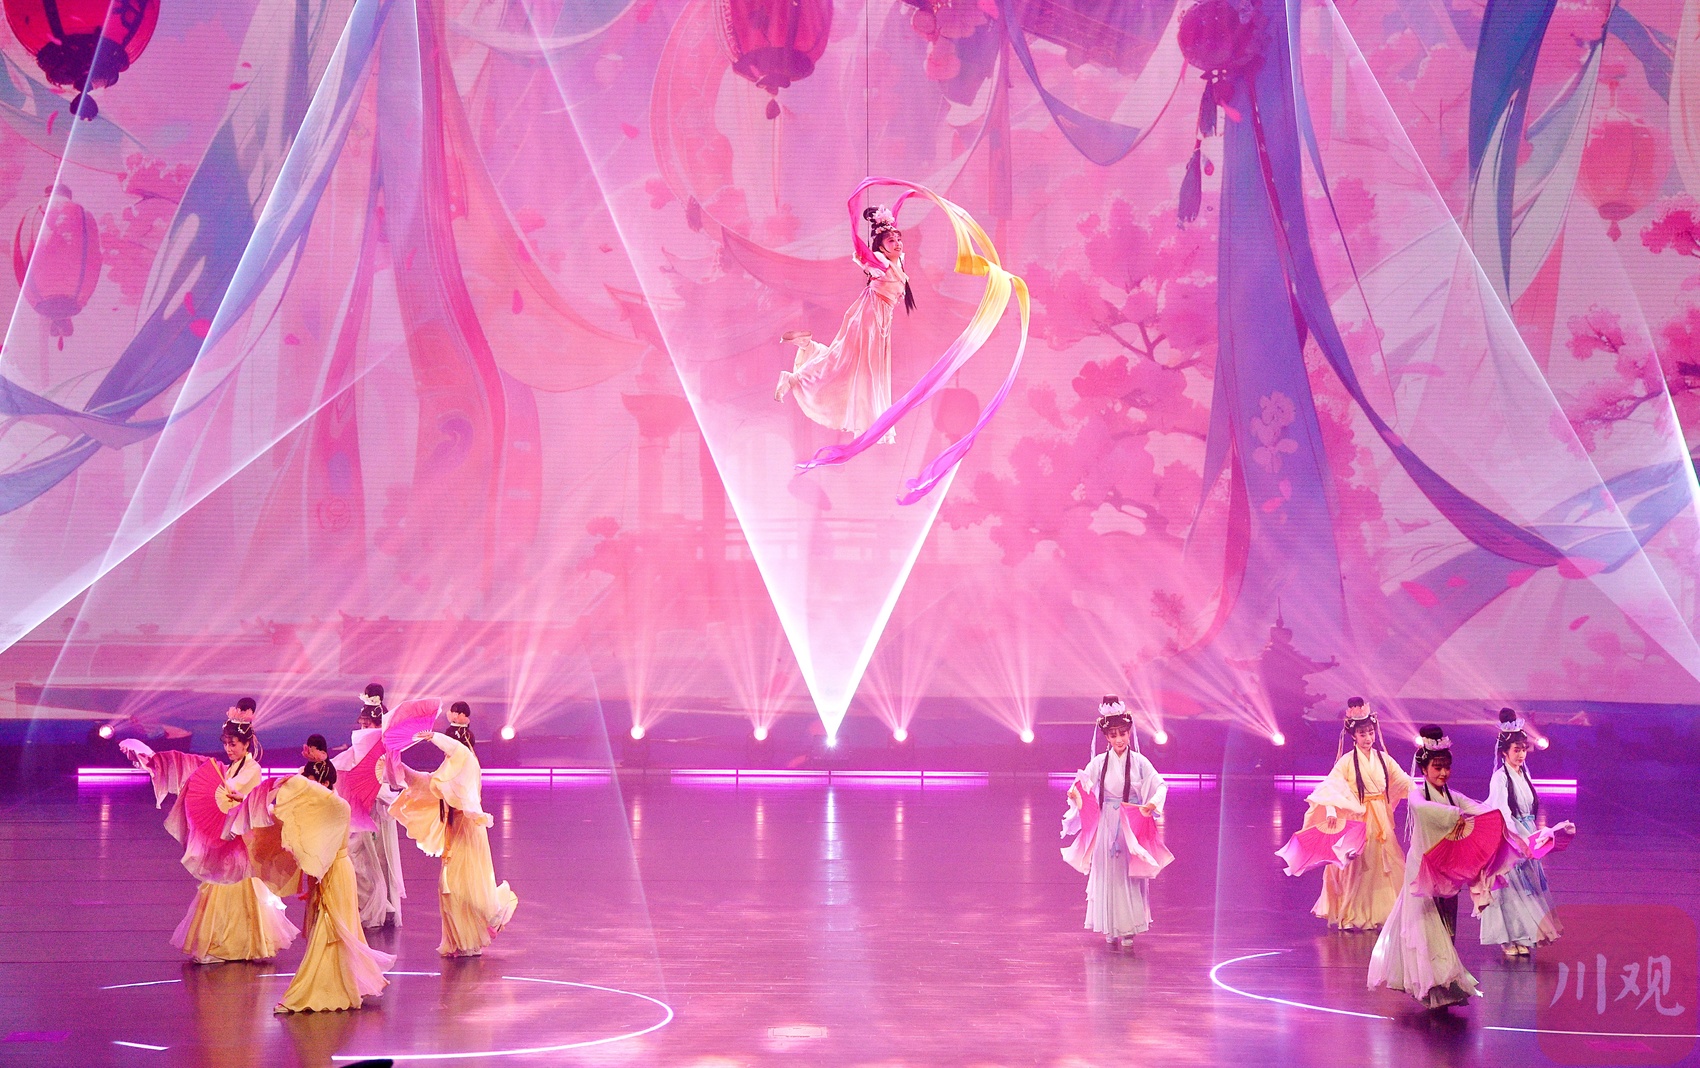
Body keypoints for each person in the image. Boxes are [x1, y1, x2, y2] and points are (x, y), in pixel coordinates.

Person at [123, 721, 300, 964]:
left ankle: (227, 946)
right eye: (226, 744)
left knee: (230, 886)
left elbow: (229, 791)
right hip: (228, 834)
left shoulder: (252, 768)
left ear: (246, 744)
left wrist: (218, 786)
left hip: (239, 837)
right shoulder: (231, 767)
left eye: (233, 744)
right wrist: (159, 761)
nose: (229, 749)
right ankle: (228, 945)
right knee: (224, 885)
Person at [1368, 726, 1488, 1009]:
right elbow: (1424, 810)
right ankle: (1432, 990)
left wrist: (1496, 815)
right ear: (1424, 769)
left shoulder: (1452, 796)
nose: (1443, 773)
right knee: (1426, 931)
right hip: (1422, 870)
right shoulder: (1417, 795)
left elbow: (1479, 808)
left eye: (1446, 767)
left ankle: (1444, 987)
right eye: (1437, 767)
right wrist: (1455, 814)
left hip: (1447, 870)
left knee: (1447, 929)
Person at [775, 204, 915, 442]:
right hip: (867, 320)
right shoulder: (880, 262)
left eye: (898, 239)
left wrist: (888, 217)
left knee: (864, 371)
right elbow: (863, 251)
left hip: (880, 324)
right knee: (848, 365)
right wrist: (854, 219)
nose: (897, 243)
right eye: (891, 241)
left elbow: (894, 228)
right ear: (881, 247)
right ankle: (794, 378)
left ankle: (808, 347)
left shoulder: (898, 262)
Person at [389, 701, 518, 956]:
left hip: (468, 830)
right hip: (455, 829)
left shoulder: (468, 762)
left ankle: (471, 938)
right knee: (448, 888)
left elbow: (455, 757)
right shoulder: (452, 765)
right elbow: (430, 783)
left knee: (463, 887)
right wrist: (401, 767)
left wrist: (435, 736)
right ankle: (459, 941)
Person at [271, 772, 395, 1013]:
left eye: (313, 783)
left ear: (325, 784)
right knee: (330, 927)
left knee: (331, 928)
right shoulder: (325, 808)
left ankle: (321, 987)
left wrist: (295, 781)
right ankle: (337, 983)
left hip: (336, 872)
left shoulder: (339, 807)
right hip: (328, 871)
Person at [1060, 696, 1172, 948]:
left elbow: (1160, 785)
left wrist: (1151, 804)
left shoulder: (1140, 762)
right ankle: (1110, 926)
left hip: (1130, 822)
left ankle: (1129, 927)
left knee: (1129, 875)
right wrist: (1074, 794)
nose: (1119, 739)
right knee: (1107, 874)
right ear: (1107, 738)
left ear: (1129, 733)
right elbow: (1081, 785)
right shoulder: (1099, 762)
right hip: (1107, 823)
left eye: (1123, 733)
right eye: (1113, 735)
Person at [1298, 699, 1413, 930]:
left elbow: (1404, 782)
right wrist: (1331, 810)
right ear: (1354, 736)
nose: (1368, 738)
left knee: (1384, 863)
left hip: (1380, 818)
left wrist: (1424, 798)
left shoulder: (1384, 759)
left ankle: (1385, 911)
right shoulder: (1347, 761)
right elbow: (1331, 786)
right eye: (1362, 734)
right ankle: (1351, 914)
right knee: (1357, 866)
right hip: (1358, 818)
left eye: (1370, 733)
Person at [1480, 708, 1564, 958]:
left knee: (1527, 887)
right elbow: (1502, 812)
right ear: (1504, 752)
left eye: (1524, 749)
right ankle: (1507, 938)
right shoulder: (1500, 778)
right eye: (1516, 750)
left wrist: (1537, 835)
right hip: (1510, 836)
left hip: (1527, 833)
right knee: (1510, 889)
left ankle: (1523, 935)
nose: (1521, 754)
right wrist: (1518, 839)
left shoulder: (1524, 774)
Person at [333, 688, 406, 929]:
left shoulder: (385, 747)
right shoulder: (360, 746)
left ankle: (382, 906)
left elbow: (395, 780)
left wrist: (383, 791)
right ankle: (370, 905)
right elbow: (341, 765)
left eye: (368, 724)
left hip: (378, 811)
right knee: (356, 857)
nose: (364, 728)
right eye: (362, 724)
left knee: (380, 859)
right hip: (360, 809)